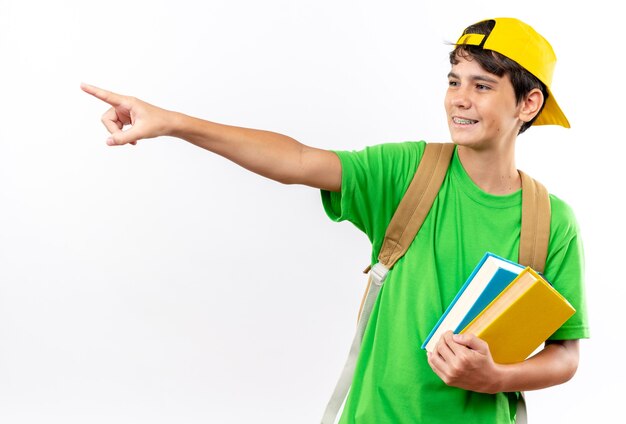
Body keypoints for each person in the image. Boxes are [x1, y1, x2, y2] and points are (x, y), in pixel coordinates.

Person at [82, 17, 589, 424]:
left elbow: (565, 355)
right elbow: (299, 160)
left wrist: (494, 378)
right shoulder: (408, 172)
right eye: (454, 81)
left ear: (528, 103)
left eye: (482, 86)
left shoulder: (549, 220)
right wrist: (173, 122)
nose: (459, 98)